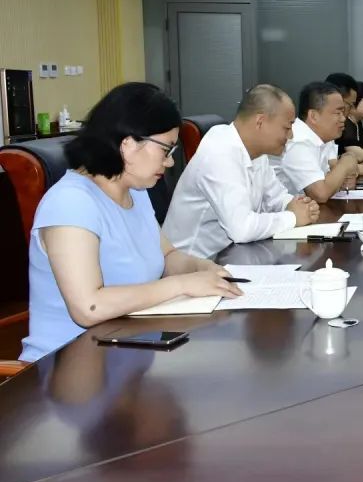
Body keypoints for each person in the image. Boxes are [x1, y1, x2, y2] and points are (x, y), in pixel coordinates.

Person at [20, 82, 241, 363]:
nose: (170, 163)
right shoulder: (70, 203)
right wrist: (183, 284)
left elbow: (168, 257)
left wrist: (203, 269)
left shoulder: (135, 191)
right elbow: (88, 307)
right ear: (128, 145)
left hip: (124, 353)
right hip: (65, 366)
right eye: (166, 150)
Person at [162, 84, 320, 259]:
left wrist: (301, 205)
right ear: (260, 122)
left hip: (230, 255)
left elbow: (275, 197)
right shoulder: (220, 152)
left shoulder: (256, 152)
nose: (290, 136)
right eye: (287, 128)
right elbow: (242, 229)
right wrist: (293, 217)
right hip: (192, 264)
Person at [276, 81, 362, 203]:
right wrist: (345, 163)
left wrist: (343, 179)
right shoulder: (298, 141)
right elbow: (320, 194)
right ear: (313, 116)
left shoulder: (322, 139)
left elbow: (328, 182)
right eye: (338, 113)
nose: (343, 118)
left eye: (343, 113)